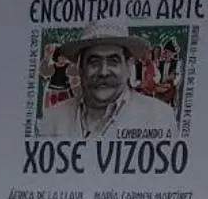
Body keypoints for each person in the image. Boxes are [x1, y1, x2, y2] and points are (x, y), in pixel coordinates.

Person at [35, 28, 179, 140]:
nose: (103, 72)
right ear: (80, 69)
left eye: (113, 61)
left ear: (128, 67)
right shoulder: (54, 119)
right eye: (94, 62)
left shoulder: (159, 116)